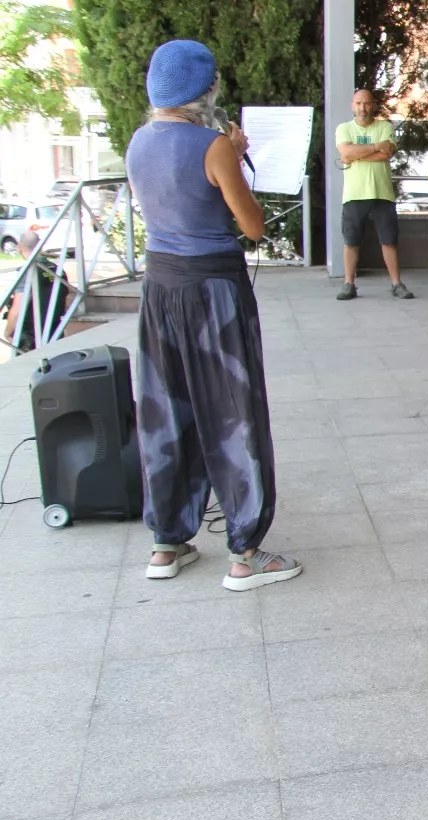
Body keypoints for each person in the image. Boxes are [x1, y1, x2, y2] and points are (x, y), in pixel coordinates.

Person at [125, 39, 301, 591]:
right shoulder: (213, 146)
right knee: (233, 411)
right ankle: (245, 555)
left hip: (160, 288)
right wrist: (235, 154)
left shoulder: (137, 142)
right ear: (207, 90)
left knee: (165, 409)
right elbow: (252, 227)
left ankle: (166, 544)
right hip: (214, 293)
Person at [334, 88, 413, 301]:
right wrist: (374, 147)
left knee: (389, 240)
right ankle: (349, 284)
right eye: (358, 103)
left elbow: (385, 153)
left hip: (382, 193)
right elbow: (345, 153)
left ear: (373, 105)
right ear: (352, 105)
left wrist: (356, 154)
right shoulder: (344, 128)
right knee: (351, 240)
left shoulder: (384, 127)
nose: (363, 108)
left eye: (367, 103)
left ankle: (397, 283)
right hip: (354, 194)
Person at [2, 231, 65, 351]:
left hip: (31, 338)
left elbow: (19, 306)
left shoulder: (28, 271)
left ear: (19, 248)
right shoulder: (57, 269)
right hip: (55, 331)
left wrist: (7, 332)